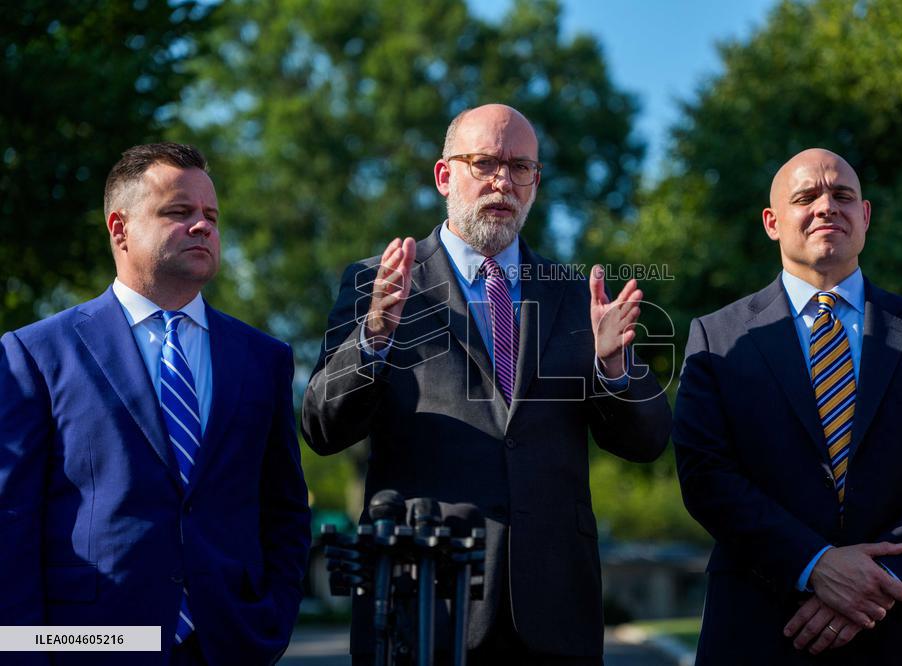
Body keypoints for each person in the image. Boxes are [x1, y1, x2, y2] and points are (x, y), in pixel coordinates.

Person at [301, 103, 671, 664]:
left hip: (554, 606)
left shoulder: (575, 295)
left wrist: (613, 370)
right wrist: (374, 335)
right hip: (423, 600)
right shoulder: (376, 283)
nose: (503, 180)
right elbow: (322, 427)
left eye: (521, 167)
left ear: (536, 183)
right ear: (445, 175)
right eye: (485, 163)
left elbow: (647, 441)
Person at [672, 147, 902, 664]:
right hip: (764, 624)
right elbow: (705, 475)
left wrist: (881, 579)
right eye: (806, 197)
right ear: (772, 222)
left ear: (864, 216)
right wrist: (815, 564)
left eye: (842, 195)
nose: (827, 206)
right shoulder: (717, 338)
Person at [0, 143, 311, 665]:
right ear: (119, 229)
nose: (202, 226)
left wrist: (270, 622)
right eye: (178, 211)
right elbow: (11, 523)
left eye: (210, 215)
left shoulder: (264, 358)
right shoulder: (34, 354)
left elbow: (283, 510)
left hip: (228, 644)